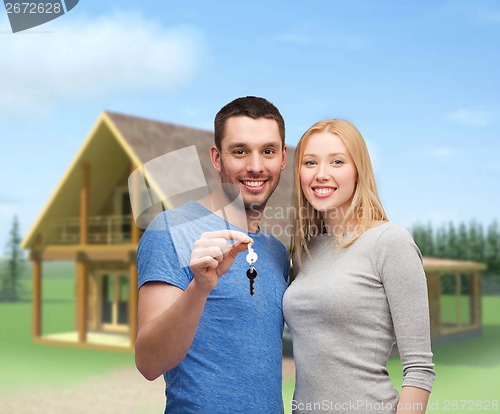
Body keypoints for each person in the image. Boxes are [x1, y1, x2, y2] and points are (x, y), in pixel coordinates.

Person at [135, 96, 289, 413]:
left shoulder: (277, 252)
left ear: (283, 158)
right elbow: (149, 363)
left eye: (268, 151)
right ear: (217, 158)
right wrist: (200, 287)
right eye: (240, 151)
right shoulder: (171, 229)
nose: (256, 166)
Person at [283, 120, 436, 414]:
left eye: (337, 161)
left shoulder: (390, 242)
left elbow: (419, 368)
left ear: (358, 170)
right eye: (310, 162)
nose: (321, 174)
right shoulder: (307, 250)